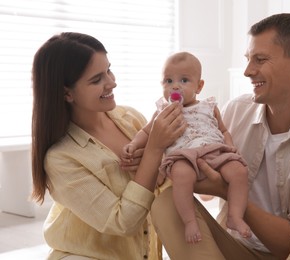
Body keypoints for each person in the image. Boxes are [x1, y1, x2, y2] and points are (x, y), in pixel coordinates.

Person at [151, 13, 290, 260]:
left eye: (260, 60)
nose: (247, 71)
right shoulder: (234, 112)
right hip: (236, 248)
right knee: (167, 203)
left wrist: (226, 191)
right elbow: (204, 193)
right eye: (248, 59)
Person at [30, 32, 186, 259]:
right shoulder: (60, 158)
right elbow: (123, 223)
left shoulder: (131, 118)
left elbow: (165, 185)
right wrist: (154, 150)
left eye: (109, 70)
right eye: (96, 80)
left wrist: (154, 163)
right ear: (67, 93)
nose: (112, 82)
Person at [120, 51, 251, 244]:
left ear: (199, 86)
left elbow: (223, 131)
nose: (175, 86)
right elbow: (147, 132)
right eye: (168, 80)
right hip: (183, 157)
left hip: (214, 151)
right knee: (181, 175)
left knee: (239, 171)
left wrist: (230, 147)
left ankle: (235, 215)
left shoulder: (209, 107)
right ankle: (189, 221)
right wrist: (133, 144)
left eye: (183, 80)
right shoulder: (162, 111)